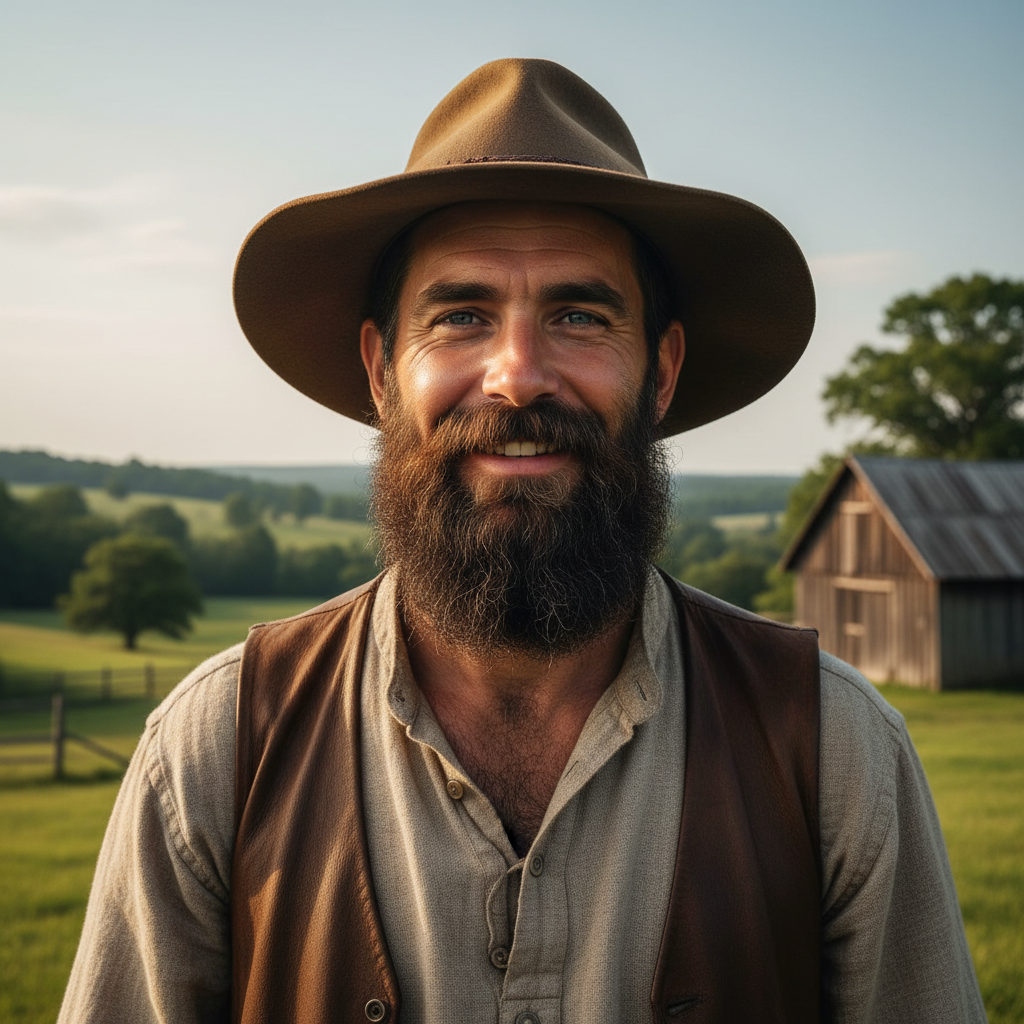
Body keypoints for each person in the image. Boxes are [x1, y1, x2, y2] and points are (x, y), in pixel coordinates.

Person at [59, 59, 986, 1024]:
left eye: (579, 316)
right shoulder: (214, 751)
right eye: (461, 316)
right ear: (381, 370)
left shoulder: (836, 751)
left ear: (660, 374)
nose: (518, 377)